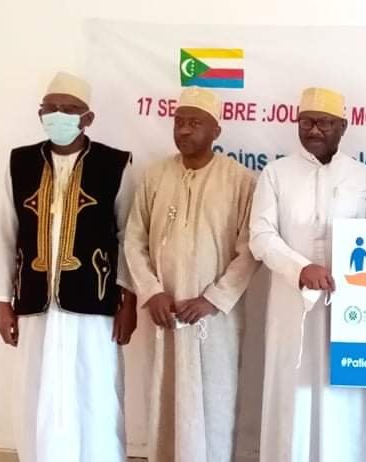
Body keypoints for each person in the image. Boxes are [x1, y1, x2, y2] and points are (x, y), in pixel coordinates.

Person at [0, 71, 136, 462]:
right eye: (50, 108)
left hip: (95, 305)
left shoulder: (115, 164)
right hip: (35, 303)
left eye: (69, 109)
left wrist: (129, 300)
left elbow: (129, 237)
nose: (58, 115)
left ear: (88, 118)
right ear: (40, 114)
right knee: (36, 392)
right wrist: (2, 303)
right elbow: (6, 233)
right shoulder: (20, 163)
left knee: (95, 393)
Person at [124, 87, 260, 462]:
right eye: (179, 122)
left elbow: (250, 250)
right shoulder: (155, 176)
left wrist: (213, 299)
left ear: (216, 130)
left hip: (215, 321)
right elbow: (133, 240)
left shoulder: (239, 180)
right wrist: (151, 291)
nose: (184, 130)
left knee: (214, 401)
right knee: (165, 397)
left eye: (195, 123)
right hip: (164, 312)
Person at [250, 87, 366, 462]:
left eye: (324, 122)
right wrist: (300, 268)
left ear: (343, 127)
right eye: (306, 122)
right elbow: (260, 235)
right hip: (292, 305)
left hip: (350, 307)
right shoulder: (275, 174)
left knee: (345, 395)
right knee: (293, 391)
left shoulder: (363, 176)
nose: (314, 130)